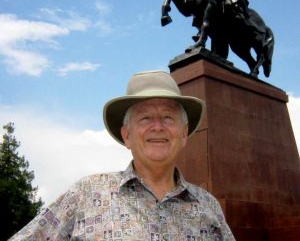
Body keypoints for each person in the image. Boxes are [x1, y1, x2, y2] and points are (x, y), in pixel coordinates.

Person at [9, 70, 235, 240]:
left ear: (184, 134)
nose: (158, 127)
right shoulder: (85, 194)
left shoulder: (208, 206)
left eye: (168, 117)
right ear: (127, 135)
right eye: (145, 118)